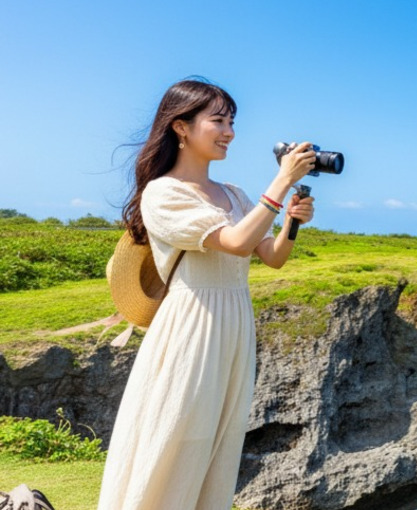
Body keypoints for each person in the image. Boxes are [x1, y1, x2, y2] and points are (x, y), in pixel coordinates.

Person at [97, 78, 317, 509]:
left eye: (231, 121)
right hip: (192, 324)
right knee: (176, 436)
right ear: (180, 127)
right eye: (217, 120)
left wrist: (291, 221)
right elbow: (233, 241)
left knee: (218, 440)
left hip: (235, 323)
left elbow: (270, 257)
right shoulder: (163, 193)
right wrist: (281, 180)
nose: (229, 132)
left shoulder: (232, 193)